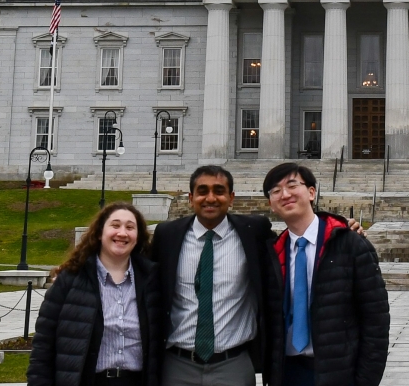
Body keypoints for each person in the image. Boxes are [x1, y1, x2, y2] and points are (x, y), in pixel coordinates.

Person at [261, 163, 389, 386]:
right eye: (275, 191)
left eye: (292, 185)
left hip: (337, 372)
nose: (285, 194)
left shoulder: (349, 244)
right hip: (286, 373)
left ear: (311, 192)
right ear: (271, 204)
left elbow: (376, 321)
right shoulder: (272, 252)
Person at [150, 165, 272, 386]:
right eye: (203, 191)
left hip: (233, 364)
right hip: (177, 364)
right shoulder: (167, 235)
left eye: (219, 190)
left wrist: (340, 226)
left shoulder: (254, 231)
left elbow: (295, 236)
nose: (211, 198)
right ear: (191, 197)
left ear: (231, 197)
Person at [29, 202, 163, 386]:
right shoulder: (70, 279)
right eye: (115, 225)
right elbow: (43, 346)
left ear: (137, 236)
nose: (122, 233)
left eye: (130, 227)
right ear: (100, 233)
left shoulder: (152, 281)